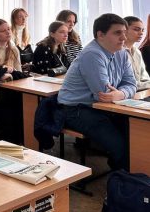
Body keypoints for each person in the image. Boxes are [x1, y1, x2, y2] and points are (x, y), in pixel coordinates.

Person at [58, 13, 136, 170]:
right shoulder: (92, 54)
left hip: (103, 107)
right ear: (100, 35)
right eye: (117, 33)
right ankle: (122, 179)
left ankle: (125, 172)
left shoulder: (122, 53)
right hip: (76, 109)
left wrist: (120, 94)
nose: (124, 37)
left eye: (124, 32)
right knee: (120, 145)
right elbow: (103, 94)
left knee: (135, 135)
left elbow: (131, 84)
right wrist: (121, 93)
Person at [124, 16, 150, 91]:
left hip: (140, 92)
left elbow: (145, 78)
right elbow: (127, 84)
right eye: (136, 29)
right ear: (124, 30)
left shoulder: (137, 52)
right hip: (128, 93)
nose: (141, 33)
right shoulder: (117, 53)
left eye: (142, 30)